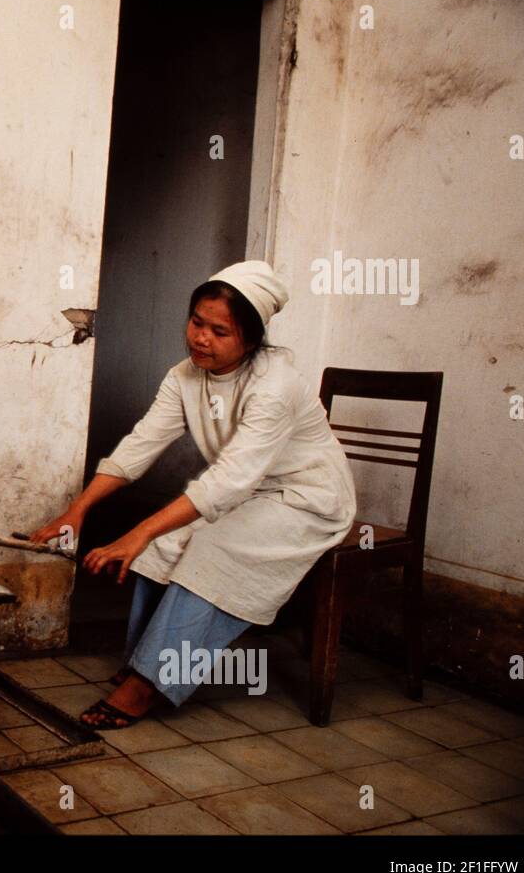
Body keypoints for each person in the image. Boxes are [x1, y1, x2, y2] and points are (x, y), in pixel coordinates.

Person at [30, 260, 356, 729]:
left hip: (307, 499)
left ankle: (149, 686)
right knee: (165, 542)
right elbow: (141, 445)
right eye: (197, 322)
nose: (201, 338)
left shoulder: (275, 386)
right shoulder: (184, 376)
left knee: (209, 547)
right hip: (247, 493)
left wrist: (136, 533)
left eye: (219, 331)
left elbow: (229, 481)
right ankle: (146, 662)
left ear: (252, 337)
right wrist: (77, 510)